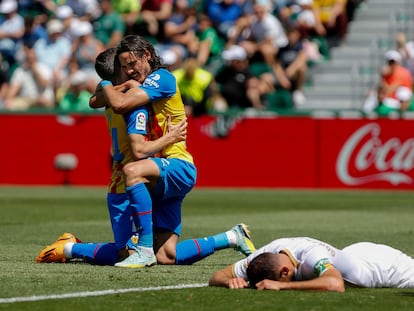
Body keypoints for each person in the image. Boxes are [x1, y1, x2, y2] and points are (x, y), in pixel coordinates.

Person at [37, 44, 256, 266]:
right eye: (125, 67)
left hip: (147, 174)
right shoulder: (124, 99)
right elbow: (101, 105)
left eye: (132, 65)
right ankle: (231, 237)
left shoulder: (129, 97)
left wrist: (107, 86)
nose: (131, 71)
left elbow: (103, 107)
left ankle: (72, 247)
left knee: (129, 253)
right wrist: (108, 86)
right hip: (132, 179)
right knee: (165, 256)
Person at [209, 236, 414, 291]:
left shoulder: (311, 257)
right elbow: (217, 276)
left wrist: (282, 285)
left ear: (284, 271)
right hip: (355, 254)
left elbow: (335, 285)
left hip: (387, 267)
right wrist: (229, 281)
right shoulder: (264, 255)